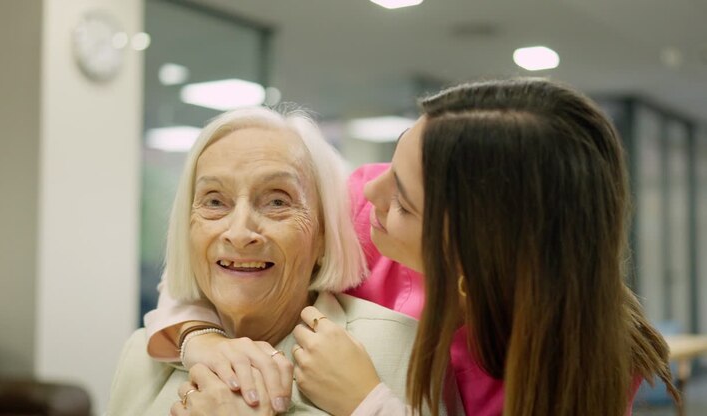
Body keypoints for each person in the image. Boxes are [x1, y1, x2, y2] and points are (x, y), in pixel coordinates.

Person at [146, 78, 679, 415]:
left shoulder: (585, 369)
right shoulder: (361, 215)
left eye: (402, 200)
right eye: (391, 163)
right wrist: (204, 341)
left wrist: (367, 403)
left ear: (469, 256)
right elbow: (196, 274)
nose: (366, 189)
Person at [107, 107, 458, 415]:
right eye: (215, 202)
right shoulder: (144, 352)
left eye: (277, 202)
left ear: (324, 234)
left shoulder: (405, 351)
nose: (239, 232)